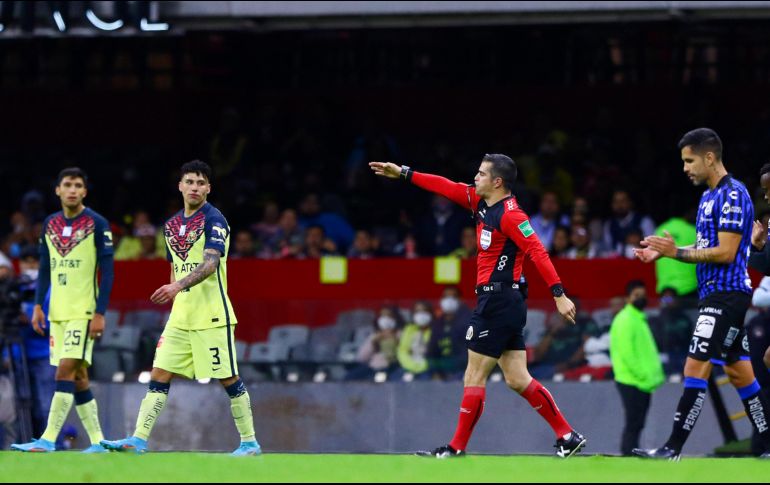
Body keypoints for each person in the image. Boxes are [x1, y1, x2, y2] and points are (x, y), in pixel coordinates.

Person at [370, 154, 586, 459]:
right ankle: (567, 435)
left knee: (473, 376)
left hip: (498, 300)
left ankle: (455, 449)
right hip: (504, 301)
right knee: (517, 378)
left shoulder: (512, 216)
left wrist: (558, 294)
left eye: (481, 174)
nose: (475, 178)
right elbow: (444, 186)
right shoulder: (479, 201)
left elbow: (537, 251)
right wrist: (404, 173)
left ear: (498, 182)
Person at [100, 160, 260, 456]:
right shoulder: (171, 225)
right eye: (190, 182)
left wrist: (177, 286)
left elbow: (211, 264)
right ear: (180, 186)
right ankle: (138, 440)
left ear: (209, 188)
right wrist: (175, 292)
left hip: (212, 315)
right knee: (159, 373)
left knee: (227, 377)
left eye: (201, 183)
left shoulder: (215, 220)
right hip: (181, 317)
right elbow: (175, 266)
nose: (195, 187)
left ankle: (249, 442)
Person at [633, 128, 770, 460]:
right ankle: (768, 443)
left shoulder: (734, 195)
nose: (685, 168)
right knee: (740, 373)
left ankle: (672, 448)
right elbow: (706, 246)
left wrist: (675, 254)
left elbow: (724, 252)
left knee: (695, 366)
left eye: (689, 160)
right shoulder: (708, 197)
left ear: (710, 158)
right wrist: (668, 250)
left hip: (727, 296)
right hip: (716, 296)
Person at [11, 167, 114, 453]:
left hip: (83, 312)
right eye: (67, 184)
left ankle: (47, 439)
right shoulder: (49, 224)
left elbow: (108, 272)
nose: (72, 189)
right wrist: (37, 307)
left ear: (84, 191)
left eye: (77, 185)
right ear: (57, 190)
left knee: (64, 372)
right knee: (78, 377)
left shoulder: (97, 223)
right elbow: (45, 267)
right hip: (57, 312)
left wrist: (100, 312)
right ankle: (98, 442)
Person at [609, 280, 665, 456]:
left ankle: (630, 453)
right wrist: (643, 374)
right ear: (628, 298)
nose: (641, 299)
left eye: (643, 295)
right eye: (636, 295)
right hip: (631, 380)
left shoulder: (637, 318)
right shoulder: (626, 319)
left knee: (637, 422)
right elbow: (627, 353)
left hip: (640, 380)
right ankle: (628, 453)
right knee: (634, 421)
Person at [394, 301, 434, 381]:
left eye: (424, 311)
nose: (421, 314)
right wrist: (413, 366)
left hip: (428, 368)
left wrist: (423, 366)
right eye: (418, 311)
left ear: (430, 313)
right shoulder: (409, 329)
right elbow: (402, 351)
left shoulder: (436, 330)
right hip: (408, 367)